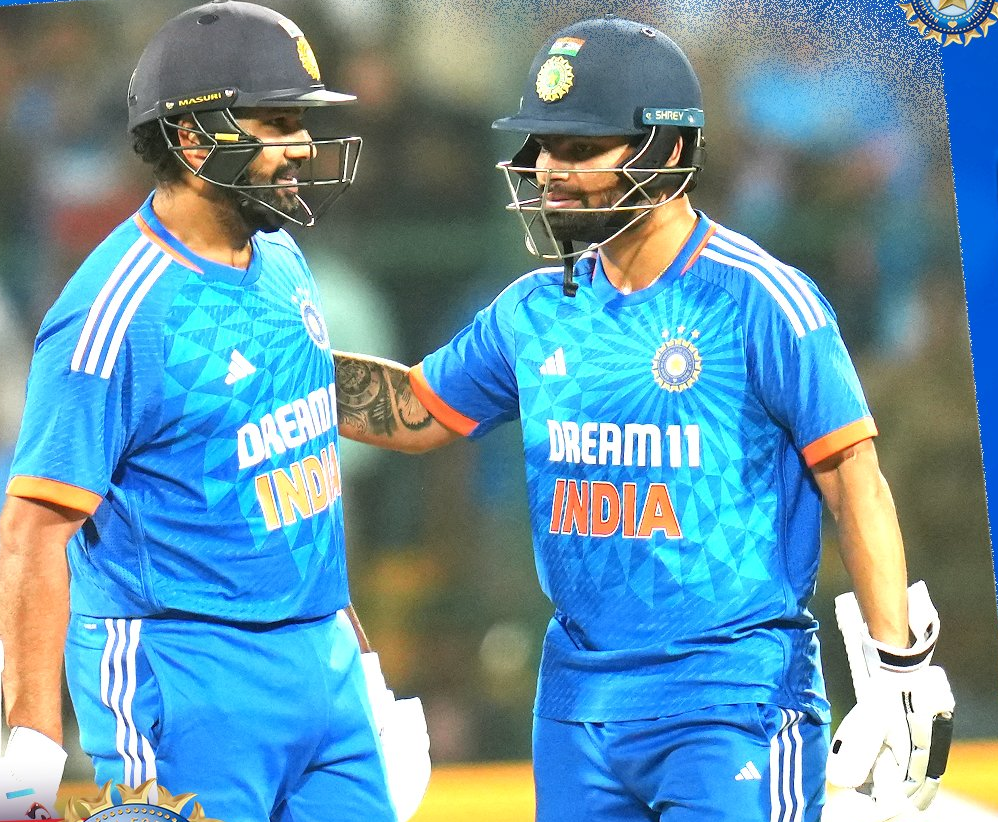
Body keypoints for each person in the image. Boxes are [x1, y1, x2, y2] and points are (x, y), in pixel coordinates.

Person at [332, 15, 953, 822]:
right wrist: (280, 374)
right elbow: (417, 410)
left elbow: (854, 480)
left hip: (732, 701)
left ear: (666, 150)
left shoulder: (759, 299)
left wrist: (899, 664)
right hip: (578, 708)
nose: (549, 170)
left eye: (580, 148)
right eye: (543, 146)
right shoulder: (533, 309)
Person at [0, 3, 425, 822]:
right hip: (183, 675)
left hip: (320, 665)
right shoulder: (110, 314)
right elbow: (33, 530)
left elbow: (301, 461)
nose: (302, 147)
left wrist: (359, 665)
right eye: (278, 123)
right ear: (196, 139)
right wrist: (29, 756)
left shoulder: (279, 256)